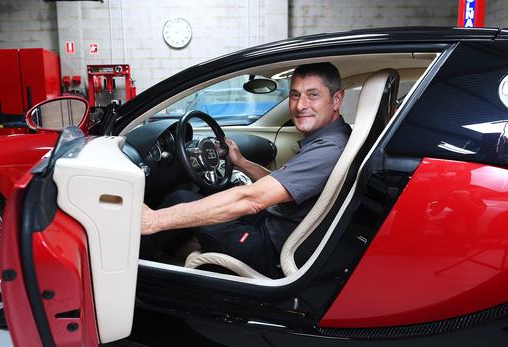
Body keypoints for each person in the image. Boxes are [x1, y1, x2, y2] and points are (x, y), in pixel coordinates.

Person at [141, 62, 351, 278]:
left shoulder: (328, 149)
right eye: (295, 95)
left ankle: (141, 273)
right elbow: (283, 184)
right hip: (274, 225)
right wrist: (240, 161)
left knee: (181, 200)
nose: (300, 106)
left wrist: (154, 220)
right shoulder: (330, 139)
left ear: (336, 99)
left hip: (269, 250)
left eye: (313, 95)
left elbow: (252, 200)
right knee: (191, 198)